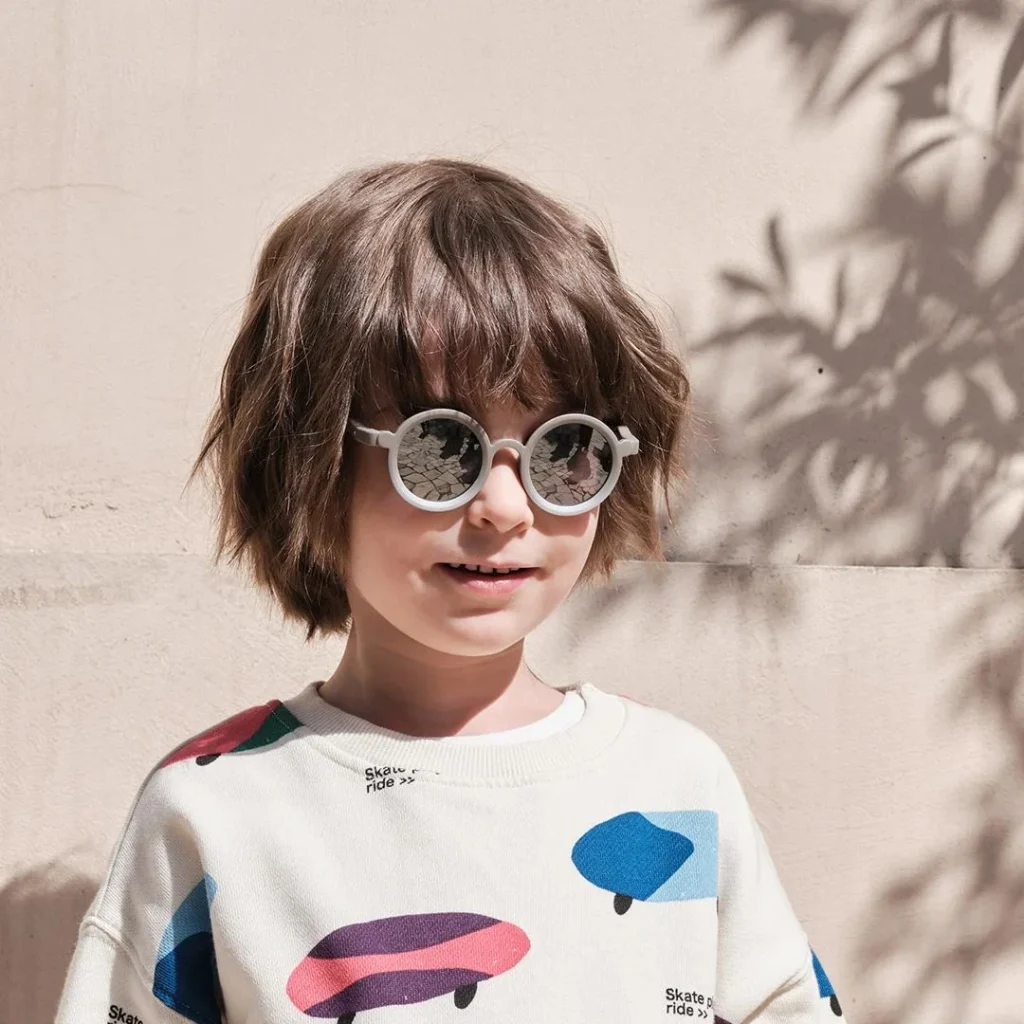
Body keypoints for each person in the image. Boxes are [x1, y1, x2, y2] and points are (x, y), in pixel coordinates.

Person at [55, 158, 845, 1023]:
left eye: (563, 451)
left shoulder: (677, 781)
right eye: (440, 448)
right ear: (305, 456)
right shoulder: (214, 807)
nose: (505, 507)